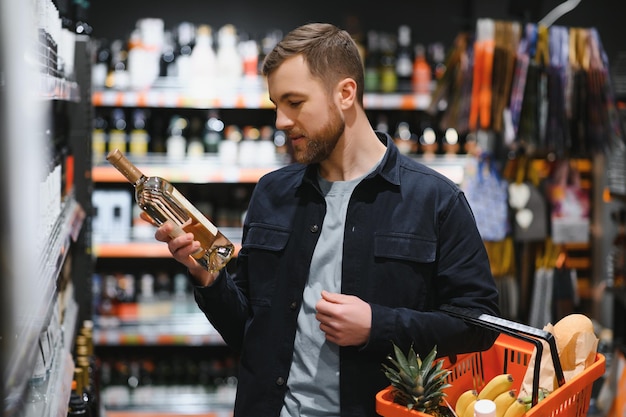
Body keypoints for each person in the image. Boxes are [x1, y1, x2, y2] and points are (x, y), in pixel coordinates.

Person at [149, 22, 500, 417]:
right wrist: (209, 279)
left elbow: (480, 325)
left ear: (345, 93)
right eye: (276, 105)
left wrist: (377, 325)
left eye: (294, 103)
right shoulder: (272, 193)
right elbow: (249, 334)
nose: (281, 121)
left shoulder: (436, 200)